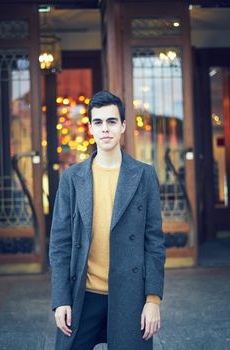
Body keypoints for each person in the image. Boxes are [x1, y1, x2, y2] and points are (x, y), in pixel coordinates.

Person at [49, 90, 166, 350]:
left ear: (123, 125)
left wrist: (153, 299)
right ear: (90, 127)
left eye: (112, 121)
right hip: (83, 294)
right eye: (98, 122)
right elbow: (60, 243)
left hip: (130, 296)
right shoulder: (72, 179)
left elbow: (154, 242)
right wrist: (61, 299)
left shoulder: (144, 176)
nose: (105, 129)